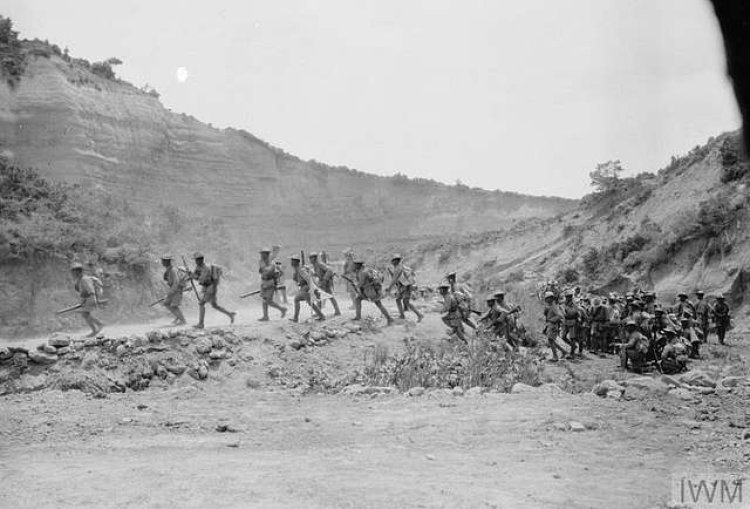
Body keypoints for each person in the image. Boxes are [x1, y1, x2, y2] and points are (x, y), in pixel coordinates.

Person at [191, 252, 235, 329]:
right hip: (206, 287)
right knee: (214, 305)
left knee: (201, 303)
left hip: (211, 287)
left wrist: (192, 275)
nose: (196, 261)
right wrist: (190, 275)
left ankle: (201, 324)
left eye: (196, 260)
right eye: (195, 260)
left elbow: (200, 279)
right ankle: (230, 314)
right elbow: (196, 276)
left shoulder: (206, 268)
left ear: (201, 260)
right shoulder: (198, 268)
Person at [352, 259, 393, 325]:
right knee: (358, 299)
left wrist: (356, 286)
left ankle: (389, 318)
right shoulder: (368, 270)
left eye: (355, 265)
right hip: (374, 290)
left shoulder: (362, 272)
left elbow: (361, 283)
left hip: (370, 291)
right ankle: (358, 316)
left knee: (378, 304)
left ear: (358, 265)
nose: (354, 266)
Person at [70, 262, 105, 337]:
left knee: (85, 314)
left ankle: (97, 327)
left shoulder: (84, 279)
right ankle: (99, 325)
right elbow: (83, 292)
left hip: (90, 298)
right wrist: (82, 301)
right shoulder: (80, 280)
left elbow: (91, 291)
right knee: (85, 314)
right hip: (87, 298)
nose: (73, 274)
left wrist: (92, 300)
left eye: (74, 272)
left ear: (78, 272)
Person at [386, 254, 423, 322]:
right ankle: (402, 315)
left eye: (393, 261)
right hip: (403, 286)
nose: (392, 262)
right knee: (398, 300)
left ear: (396, 261)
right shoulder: (400, 267)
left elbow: (394, 279)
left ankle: (419, 315)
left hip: (406, 286)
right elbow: (396, 278)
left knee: (406, 302)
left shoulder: (398, 268)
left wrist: (389, 288)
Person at [289, 255, 325, 323]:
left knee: (299, 300)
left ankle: (296, 318)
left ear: (294, 263)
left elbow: (308, 279)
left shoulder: (301, 270)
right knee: (307, 302)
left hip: (306, 288)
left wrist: (311, 289)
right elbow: (298, 280)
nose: (291, 263)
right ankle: (321, 316)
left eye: (292, 261)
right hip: (304, 288)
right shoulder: (298, 270)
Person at [258, 247, 287, 321]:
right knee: (264, 300)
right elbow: (262, 271)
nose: (261, 255)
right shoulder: (261, 262)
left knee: (269, 301)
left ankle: (282, 309)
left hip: (270, 283)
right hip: (263, 282)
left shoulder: (272, 264)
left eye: (263, 254)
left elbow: (281, 272)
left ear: (266, 255)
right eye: (261, 254)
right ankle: (265, 316)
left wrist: (276, 276)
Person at [310, 252, 342, 317]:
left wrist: (325, 279)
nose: (310, 260)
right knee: (324, 297)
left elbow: (330, 270)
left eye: (311, 258)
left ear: (315, 258)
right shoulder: (315, 265)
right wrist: (313, 274)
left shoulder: (320, 264)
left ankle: (337, 311)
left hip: (325, 283)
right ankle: (335, 311)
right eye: (310, 258)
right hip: (322, 283)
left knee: (328, 297)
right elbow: (319, 274)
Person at [160, 255, 187, 326]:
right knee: (166, 303)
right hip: (173, 290)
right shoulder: (169, 269)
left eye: (163, 261)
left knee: (174, 306)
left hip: (176, 290)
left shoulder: (172, 270)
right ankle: (178, 317)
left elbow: (176, 282)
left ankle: (183, 321)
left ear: (167, 262)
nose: (162, 262)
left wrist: (170, 292)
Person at [543, 291, 567, 362]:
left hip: (553, 325)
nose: (547, 300)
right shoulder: (551, 305)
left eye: (548, 298)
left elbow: (560, 316)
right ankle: (563, 352)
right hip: (551, 325)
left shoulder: (553, 306)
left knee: (551, 341)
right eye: (546, 298)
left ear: (551, 298)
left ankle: (555, 356)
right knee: (551, 341)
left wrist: (552, 320)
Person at [561, 292, 583, 358]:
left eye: (568, 297)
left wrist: (566, 309)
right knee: (563, 336)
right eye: (566, 297)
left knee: (572, 338)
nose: (567, 298)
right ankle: (574, 346)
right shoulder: (564, 303)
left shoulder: (574, 304)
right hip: (566, 322)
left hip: (573, 322)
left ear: (570, 297)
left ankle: (572, 353)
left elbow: (573, 312)